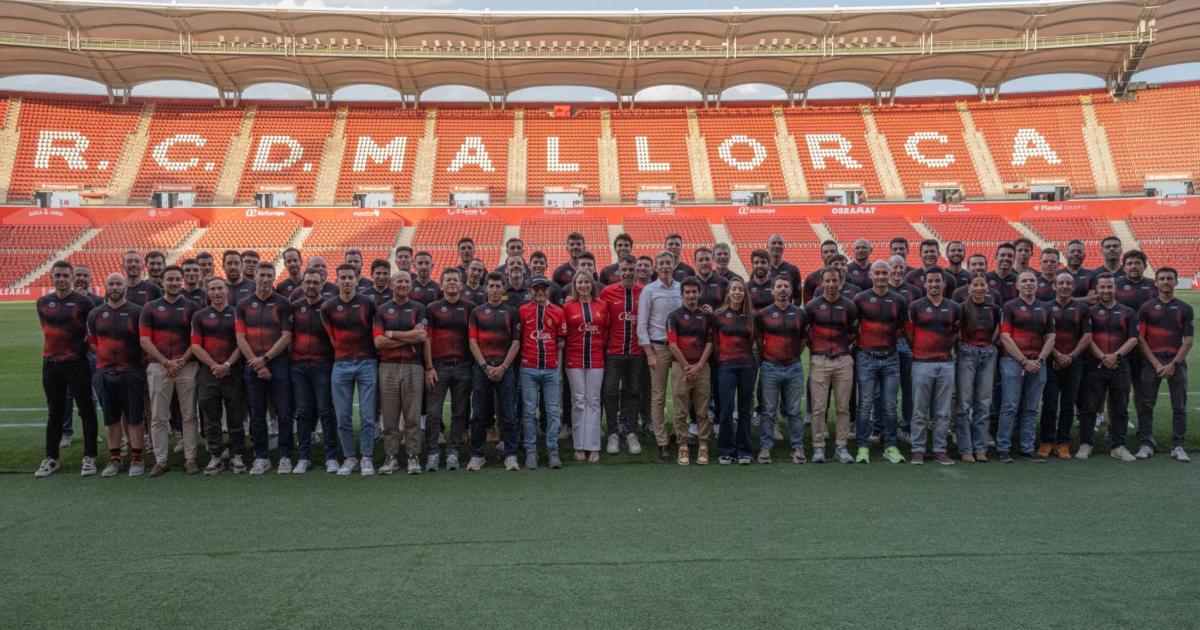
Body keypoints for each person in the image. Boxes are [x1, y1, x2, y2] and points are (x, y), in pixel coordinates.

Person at [35, 261, 99, 478]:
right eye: (58, 275)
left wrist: (78, 351)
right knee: (55, 412)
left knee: (86, 410)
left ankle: (90, 457)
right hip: (51, 364)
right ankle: (51, 458)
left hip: (77, 364)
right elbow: (46, 329)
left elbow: (91, 334)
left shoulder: (84, 302)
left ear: (71, 278)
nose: (61, 279)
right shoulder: (43, 302)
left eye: (65, 275)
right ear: (51, 277)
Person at [139, 265, 201, 476]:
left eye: (177, 279)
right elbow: (145, 340)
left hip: (187, 366)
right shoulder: (150, 308)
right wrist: (166, 362)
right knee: (158, 416)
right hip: (159, 367)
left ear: (182, 281)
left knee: (189, 415)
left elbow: (196, 340)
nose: (173, 283)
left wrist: (181, 361)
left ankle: (190, 458)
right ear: (163, 282)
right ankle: (161, 460)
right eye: (170, 279)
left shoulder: (192, 307)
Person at [235, 262, 295, 475]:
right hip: (252, 363)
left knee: (284, 412)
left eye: (269, 275)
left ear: (274, 277)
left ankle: (285, 456)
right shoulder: (243, 304)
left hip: (278, 363)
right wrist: (256, 362)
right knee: (257, 413)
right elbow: (240, 337)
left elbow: (286, 336)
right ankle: (261, 457)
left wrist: (266, 359)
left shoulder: (283, 303)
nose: (265, 279)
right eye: (262, 275)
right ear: (255, 276)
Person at [322, 263, 378, 476]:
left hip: (367, 363)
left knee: (367, 415)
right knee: (343, 416)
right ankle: (350, 457)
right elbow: (332, 337)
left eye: (350, 277)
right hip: (341, 364)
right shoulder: (328, 307)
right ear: (336, 280)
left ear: (357, 279)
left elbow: (374, 332)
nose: (346, 281)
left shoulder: (368, 303)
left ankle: (367, 457)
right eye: (342, 277)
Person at [87, 273, 146, 477]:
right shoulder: (95, 314)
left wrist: (133, 363)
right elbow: (93, 343)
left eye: (118, 283)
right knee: (111, 418)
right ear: (105, 286)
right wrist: (107, 359)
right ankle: (115, 458)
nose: (114, 287)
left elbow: (144, 343)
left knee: (135, 417)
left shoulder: (137, 312)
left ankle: (137, 458)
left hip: (131, 372)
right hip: (104, 373)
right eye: (111, 283)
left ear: (125, 287)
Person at [1135, 267, 1194, 462]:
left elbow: (1188, 341)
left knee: (1179, 406)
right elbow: (1140, 338)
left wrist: (1173, 364)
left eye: (1169, 278)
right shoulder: (1146, 308)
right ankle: (1145, 444)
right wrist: (1156, 363)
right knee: (1146, 404)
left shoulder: (1185, 308)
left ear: (1176, 282)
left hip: (1177, 362)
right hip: (1152, 362)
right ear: (1156, 282)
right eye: (1162, 279)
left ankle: (1178, 446)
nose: (1166, 282)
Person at [1078, 273, 1139, 461]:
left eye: (1109, 287)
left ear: (1115, 288)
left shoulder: (1127, 312)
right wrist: (1103, 357)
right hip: (1095, 365)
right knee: (1089, 406)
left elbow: (1133, 338)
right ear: (1097, 289)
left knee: (1119, 407)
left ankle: (1118, 446)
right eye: (1102, 287)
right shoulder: (1089, 312)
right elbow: (1087, 338)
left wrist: (1116, 356)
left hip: (1120, 365)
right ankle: (1086, 443)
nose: (1106, 290)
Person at [191, 276, 248, 475]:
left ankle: (236, 454)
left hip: (233, 373)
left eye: (220, 288)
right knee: (211, 418)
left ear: (226, 291)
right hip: (209, 374)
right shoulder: (199, 316)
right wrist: (214, 365)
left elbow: (242, 343)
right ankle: (215, 455)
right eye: (212, 289)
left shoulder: (237, 313)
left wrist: (227, 365)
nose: (216, 292)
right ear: (207, 292)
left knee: (235, 416)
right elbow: (195, 345)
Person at [997, 270, 1056, 463]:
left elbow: (1050, 337)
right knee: (1010, 406)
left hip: (1038, 363)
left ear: (1037, 285)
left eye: (1032, 280)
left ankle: (1027, 448)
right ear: (1017, 285)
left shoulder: (1045, 307)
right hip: (1013, 362)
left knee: (1031, 408)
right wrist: (1024, 361)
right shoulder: (1009, 306)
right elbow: (1005, 337)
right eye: (1025, 281)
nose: (1029, 283)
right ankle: (1003, 448)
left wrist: (1039, 359)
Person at [374, 271, 428, 475]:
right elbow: (379, 342)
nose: (403, 284)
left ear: (411, 286)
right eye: (399, 281)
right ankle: (391, 456)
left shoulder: (419, 308)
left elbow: (421, 336)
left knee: (412, 415)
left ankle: (413, 455)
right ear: (391, 284)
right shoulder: (381, 310)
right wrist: (409, 336)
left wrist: (393, 334)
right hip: (387, 366)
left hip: (413, 365)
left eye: (407, 281)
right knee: (390, 415)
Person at [906, 269, 962, 465]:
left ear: (944, 283)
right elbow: (909, 334)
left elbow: (955, 333)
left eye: (938, 281)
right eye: (930, 281)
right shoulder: (915, 306)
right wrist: (920, 350)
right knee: (919, 410)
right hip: (922, 363)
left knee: (943, 411)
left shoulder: (954, 307)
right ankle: (918, 449)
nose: (934, 284)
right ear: (925, 283)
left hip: (946, 363)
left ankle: (940, 449)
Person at [852, 260, 907, 464]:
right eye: (878, 273)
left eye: (885, 273)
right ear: (871, 275)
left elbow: (900, 327)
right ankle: (863, 446)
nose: (882, 276)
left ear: (890, 274)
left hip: (890, 358)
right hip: (866, 357)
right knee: (865, 403)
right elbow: (854, 325)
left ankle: (890, 446)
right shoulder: (860, 299)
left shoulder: (898, 300)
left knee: (890, 404)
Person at [467, 273, 522, 471]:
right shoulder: (477, 312)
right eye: (491, 286)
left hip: (505, 369)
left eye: (498, 286)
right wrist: (485, 366)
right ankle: (477, 455)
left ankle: (510, 454)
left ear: (503, 289)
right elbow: (472, 342)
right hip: (482, 369)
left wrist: (503, 367)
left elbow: (516, 343)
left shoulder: (512, 312)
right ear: (486, 288)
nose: (495, 290)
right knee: (479, 413)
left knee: (508, 413)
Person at [423, 268, 475, 472]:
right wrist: (429, 367)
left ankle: (453, 450)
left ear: (461, 284)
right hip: (438, 367)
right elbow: (427, 339)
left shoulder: (470, 307)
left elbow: (473, 338)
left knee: (459, 412)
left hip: (462, 366)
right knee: (433, 413)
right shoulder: (432, 308)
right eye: (448, 280)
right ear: (442, 284)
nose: (452, 282)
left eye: (455, 279)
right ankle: (433, 452)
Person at [806, 267, 859, 464]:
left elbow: (854, 332)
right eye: (827, 281)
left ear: (840, 282)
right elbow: (806, 332)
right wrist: (817, 350)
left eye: (834, 280)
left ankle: (841, 446)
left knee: (843, 407)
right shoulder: (812, 306)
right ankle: (818, 447)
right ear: (822, 282)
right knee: (818, 408)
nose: (831, 284)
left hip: (843, 360)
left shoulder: (849, 306)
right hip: (820, 360)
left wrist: (843, 350)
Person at [1037, 270, 1091, 459]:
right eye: (1061, 283)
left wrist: (1071, 356)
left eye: (1068, 283)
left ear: (1073, 287)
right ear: (1054, 286)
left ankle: (1063, 442)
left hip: (1074, 363)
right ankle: (1046, 441)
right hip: (1051, 362)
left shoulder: (1082, 308)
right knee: (1050, 404)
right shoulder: (1045, 307)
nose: (1065, 286)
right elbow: (1042, 335)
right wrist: (1057, 355)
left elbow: (1087, 335)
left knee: (1068, 405)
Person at [755, 275, 808, 464]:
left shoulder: (800, 314)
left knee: (794, 411)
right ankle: (765, 447)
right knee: (768, 411)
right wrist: (768, 356)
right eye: (779, 286)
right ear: (773, 291)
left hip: (793, 367)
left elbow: (804, 338)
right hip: (770, 367)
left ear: (791, 290)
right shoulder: (764, 314)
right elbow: (759, 339)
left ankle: (797, 447)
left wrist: (794, 355)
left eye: (786, 286)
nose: (783, 289)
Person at [638, 251, 683, 463]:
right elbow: (642, 325)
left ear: (674, 264)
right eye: (661, 263)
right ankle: (662, 441)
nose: (665, 266)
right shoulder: (649, 290)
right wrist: (649, 353)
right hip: (658, 347)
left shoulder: (680, 288)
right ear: (655, 267)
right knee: (658, 396)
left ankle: (679, 435)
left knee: (681, 393)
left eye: (668, 262)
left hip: (679, 348)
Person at [517, 277, 566, 470]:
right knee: (529, 411)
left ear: (548, 291)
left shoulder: (557, 311)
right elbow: (518, 338)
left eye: (543, 289)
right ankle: (531, 450)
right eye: (535, 289)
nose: (539, 292)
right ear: (530, 291)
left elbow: (561, 341)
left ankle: (552, 449)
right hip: (528, 368)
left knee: (553, 411)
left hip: (550, 369)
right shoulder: (523, 311)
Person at [599, 255, 644, 455]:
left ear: (636, 271)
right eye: (624, 269)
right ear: (619, 270)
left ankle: (631, 431)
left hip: (636, 352)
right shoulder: (607, 292)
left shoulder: (644, 291)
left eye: (631, 270)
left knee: (633, 392)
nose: (627, 273)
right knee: (610, 392)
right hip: (613, 353)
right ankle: (613, 433)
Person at [666, 277, 714, 465]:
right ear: (682, 294)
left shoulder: (706, 316)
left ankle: (703, 445)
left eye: (694, 292)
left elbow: (710, 343)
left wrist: (699, 366)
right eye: (687, 292)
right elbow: (672, 344)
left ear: (699, 293)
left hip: (702, 367)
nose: (691, 295)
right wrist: (687, 367)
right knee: (680, 411)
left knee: (702, 410)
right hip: (681, 367)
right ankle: (683, 446)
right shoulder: (674, 316)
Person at [563, 271, 609, 462]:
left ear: (592, 284)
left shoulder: (602, 305)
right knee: (578, 400)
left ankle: (594, 446)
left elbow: (606, 331)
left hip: (596, 359)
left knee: (594, 401)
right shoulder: (567, 306)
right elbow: (564, 334)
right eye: (579, 282)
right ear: (575, 285)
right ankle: (579, 445)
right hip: (574, 359)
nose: (583, 285)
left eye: (586, 282)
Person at [956, 272, 1000, 463]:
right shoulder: (961, 308)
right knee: (964, 404)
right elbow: (956, 330)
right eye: (976, 285)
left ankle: (980, 447)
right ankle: (965, 448)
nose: (979, 288)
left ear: (987, 287)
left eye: (982, 284)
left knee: (983, 403)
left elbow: (998, 329)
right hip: (967, 353)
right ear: (969, 288)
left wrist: (990, 346)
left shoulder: (993, 308)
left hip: (987, 354)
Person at [713, 278, 757, 465]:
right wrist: (723, 359)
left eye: (740, 289)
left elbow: (755, 340)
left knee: (745, 408)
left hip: (747, 365)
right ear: (729, 293)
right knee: (727, 406)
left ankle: (744, 450)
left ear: (745, 293)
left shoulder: (752, 315)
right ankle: (726, 449)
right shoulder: (719, 315)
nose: (737, 292)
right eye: (734, 289)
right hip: (726, 365)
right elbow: (715, 342)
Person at [765, 234, 803, 298]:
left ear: (784, 246)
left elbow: (797, 298)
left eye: (780, 243)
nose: (777, 246)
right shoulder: (761, 270)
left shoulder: (793, 270)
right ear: (767, 246)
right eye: (773, 243)